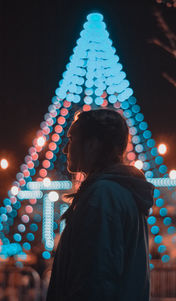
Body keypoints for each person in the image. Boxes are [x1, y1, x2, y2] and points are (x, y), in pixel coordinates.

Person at [46, 108, 154, 301]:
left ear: (92, 145)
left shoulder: (103, 197)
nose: (64, 149)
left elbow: (95, 278)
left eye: (72, 139)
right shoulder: (121, 192)